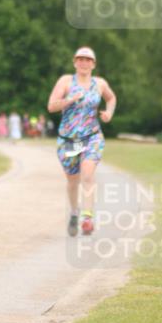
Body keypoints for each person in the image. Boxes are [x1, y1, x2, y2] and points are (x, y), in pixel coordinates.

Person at [47, 46, 116, 236]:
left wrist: (109, 113)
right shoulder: (66, 81)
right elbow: (51, 106)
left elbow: (111, 98)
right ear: (74, 62)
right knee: (72, 180)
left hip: (91, 136)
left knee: (87, 175)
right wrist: (69, 99)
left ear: (93, 64)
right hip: (69, 140)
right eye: (80, 59)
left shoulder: (100, 84)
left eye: (88, 60)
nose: (84, 63)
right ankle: (74, 212)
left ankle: (88, 217)